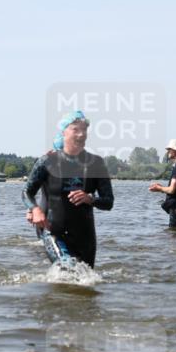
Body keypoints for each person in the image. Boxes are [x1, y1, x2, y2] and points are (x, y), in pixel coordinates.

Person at [22, 110, 114, 268]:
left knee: (86, 281)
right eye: (75, 129)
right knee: (68, 268)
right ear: (63, 132)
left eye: (84, 130)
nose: (81, 134)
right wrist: (34, 209)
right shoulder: (47, 162)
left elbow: (108, 202)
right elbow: (27, 192)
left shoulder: (96, 163)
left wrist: (90, 199)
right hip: (55, 232)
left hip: (85, 236)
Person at [149, 139, 176, 228]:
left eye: (169, 149)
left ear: (175, 151)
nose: (168, 151)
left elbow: (172, 190)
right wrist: (161, 188)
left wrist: (158, 188)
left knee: (174, 233)